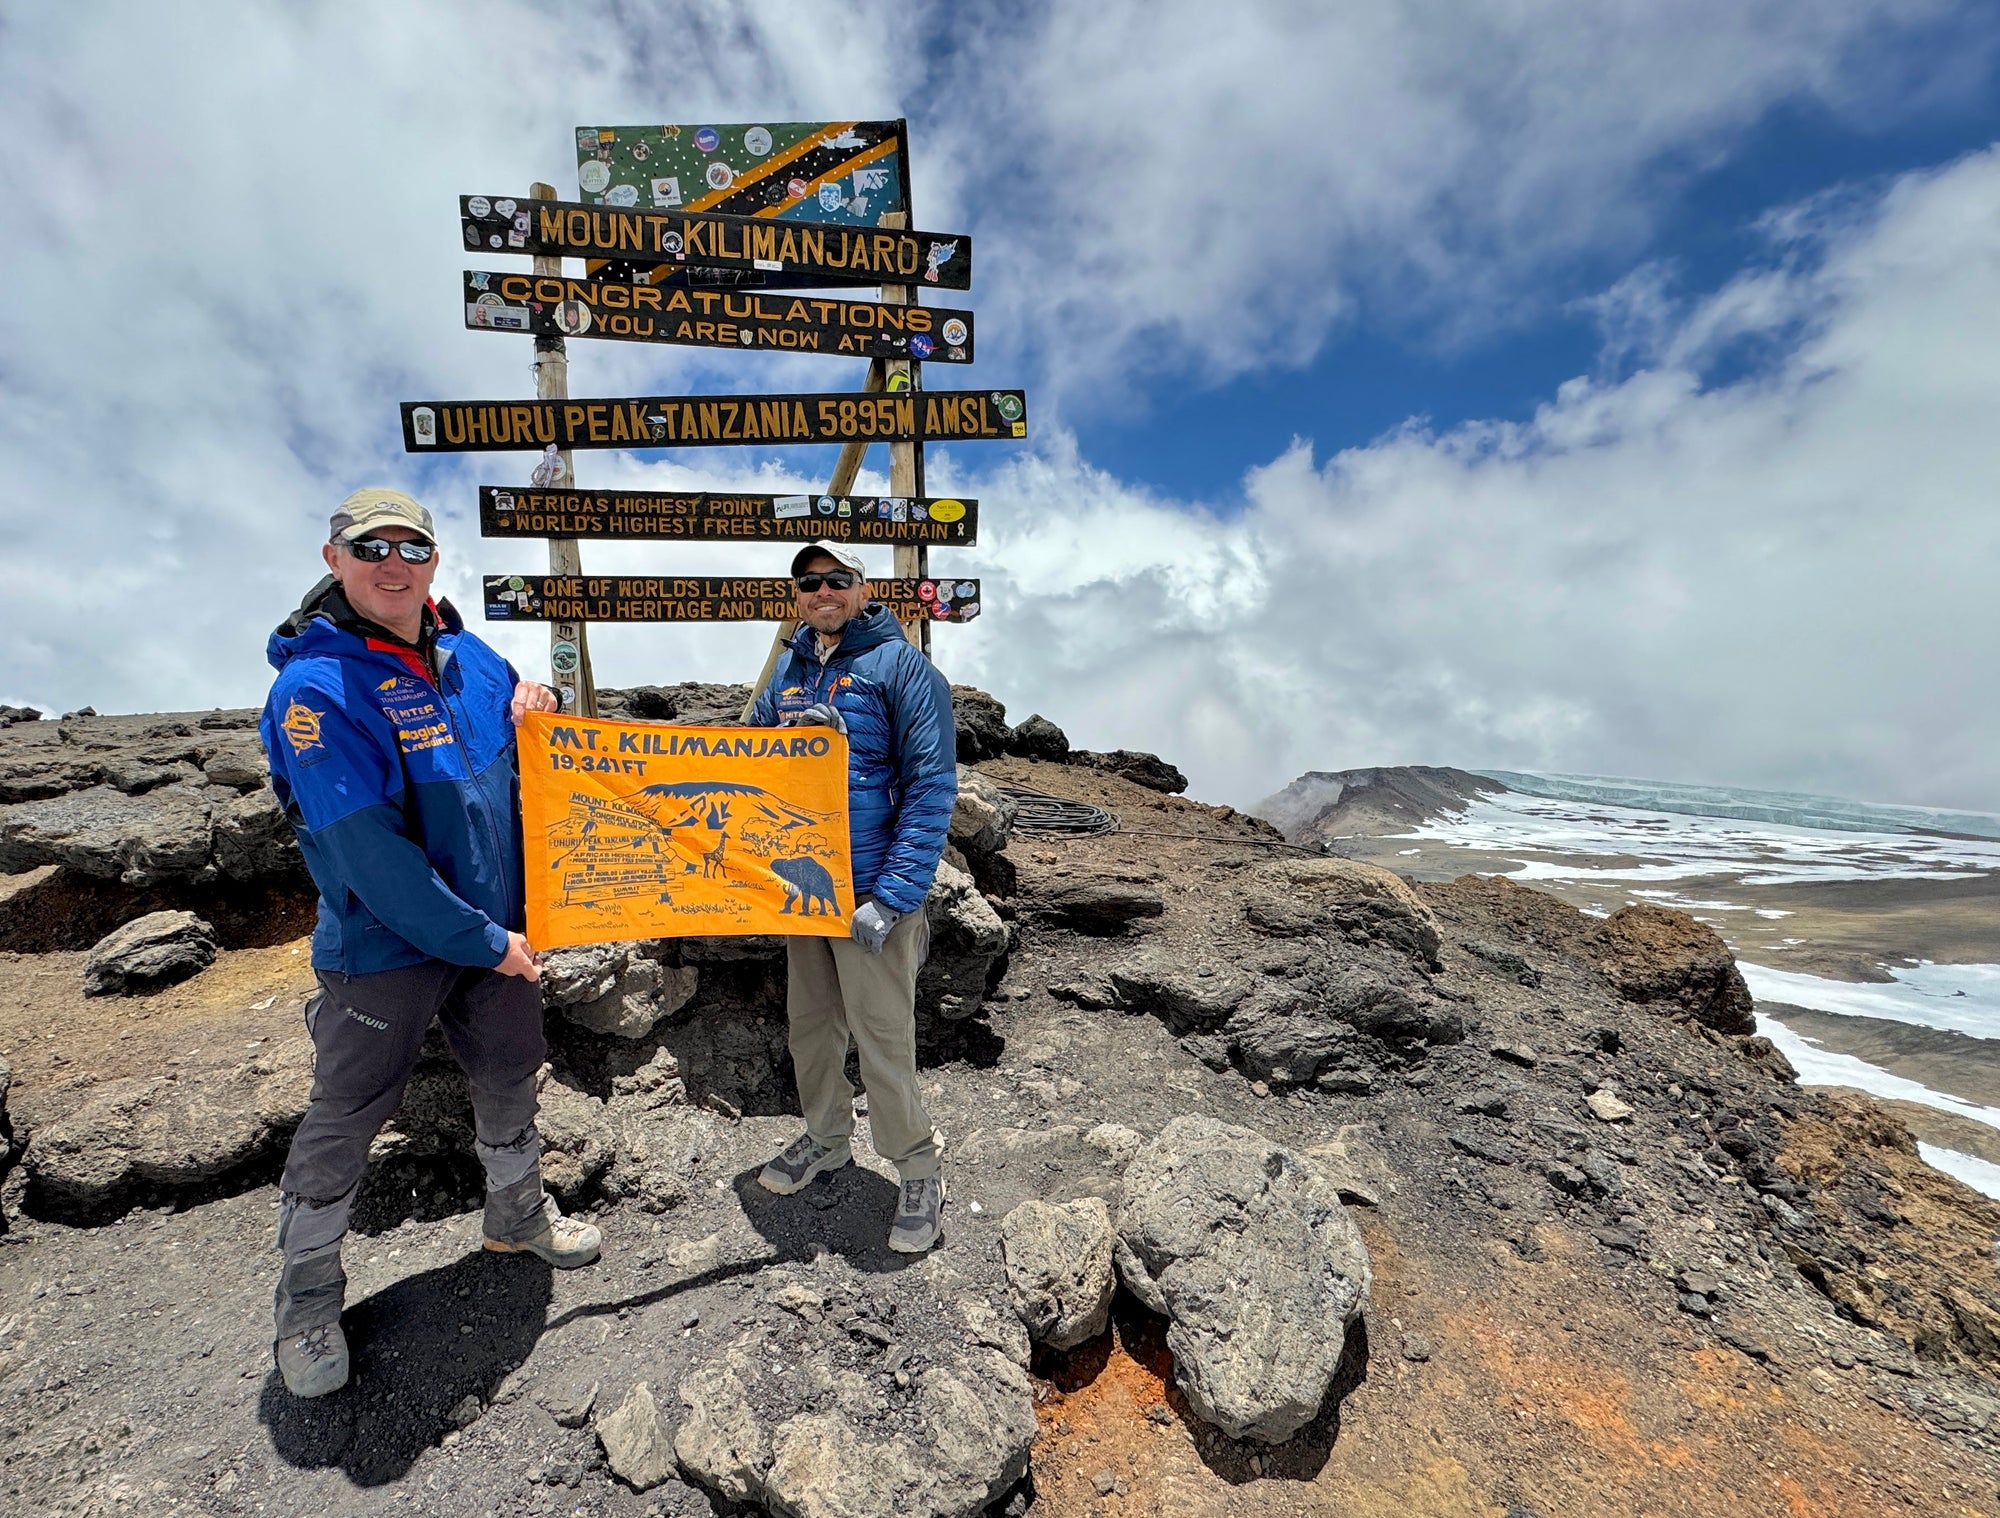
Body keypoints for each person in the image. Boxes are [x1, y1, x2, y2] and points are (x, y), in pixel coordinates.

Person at [260, 487, 600, 1399]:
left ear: (434, 563)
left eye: (411, 547)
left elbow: (525, 726)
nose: (393, 564)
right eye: (370, 547)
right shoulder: (316, 691)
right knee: (348, 1114)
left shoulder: (467, 655)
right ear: (334, 560)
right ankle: (306, 1303)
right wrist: (486, 939)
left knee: (507, 1072)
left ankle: (516, 1216)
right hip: (385, 949)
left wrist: (545, 694)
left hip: (494, 939)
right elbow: (371, 859)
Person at [750, 541, 959, 1252]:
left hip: (872, 892)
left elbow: (932, 787)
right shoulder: (788, 668)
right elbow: (745, 762)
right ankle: (826, 1138)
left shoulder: (904, 668)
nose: (822, 591)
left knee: (882, 1039)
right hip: (805, 889)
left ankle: (918, 1168)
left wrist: (895, 895)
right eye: (809, 582)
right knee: (810, 1026)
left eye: (837, 579)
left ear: (863, 588)